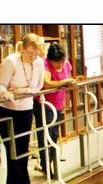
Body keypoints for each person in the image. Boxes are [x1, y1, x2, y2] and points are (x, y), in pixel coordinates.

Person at [0, 33, 45, 184]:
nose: (33, 56)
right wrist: (6, 92)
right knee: (9, 149)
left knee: (23, 149)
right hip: (7, 110)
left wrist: (21, 91)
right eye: (30, 52)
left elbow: (38, 86)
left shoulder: (38, 63)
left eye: (36, 53)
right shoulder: (10, 62)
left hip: (26, 108)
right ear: (22, 49)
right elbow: (0, 86)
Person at [34, 42, 75, 177]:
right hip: (44, 105)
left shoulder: (66, 63)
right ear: (49, 59)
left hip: (58, 104)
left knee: (54, 136)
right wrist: (64, 82)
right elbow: (46, 84)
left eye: (61, 62)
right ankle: (46, 166)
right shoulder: (44, 64)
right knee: (45, 136)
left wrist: (67, 101)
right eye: (56, 63)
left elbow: (68, 83)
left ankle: (49, 163)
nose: (59, 65)